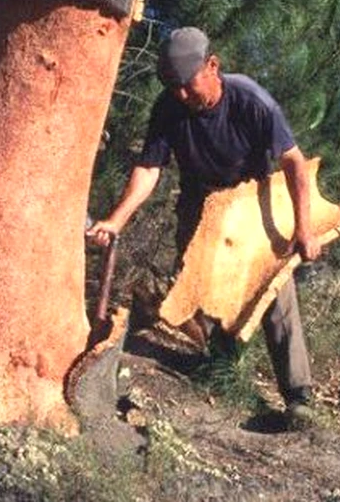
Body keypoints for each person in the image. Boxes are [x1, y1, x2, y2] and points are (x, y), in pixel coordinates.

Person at [86, 27, 321, 427]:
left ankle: (298, 395)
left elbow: (294, 162)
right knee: (202, 286)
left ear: (213, 65)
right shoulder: (168, 107)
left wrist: (304, 228)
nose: (181, 95)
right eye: (172, 86)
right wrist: (115, 219)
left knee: (276, 291)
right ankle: (223, 367)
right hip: (200, 202)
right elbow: (149, 169)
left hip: (252, 201)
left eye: (187, 84)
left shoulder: (251, 100)